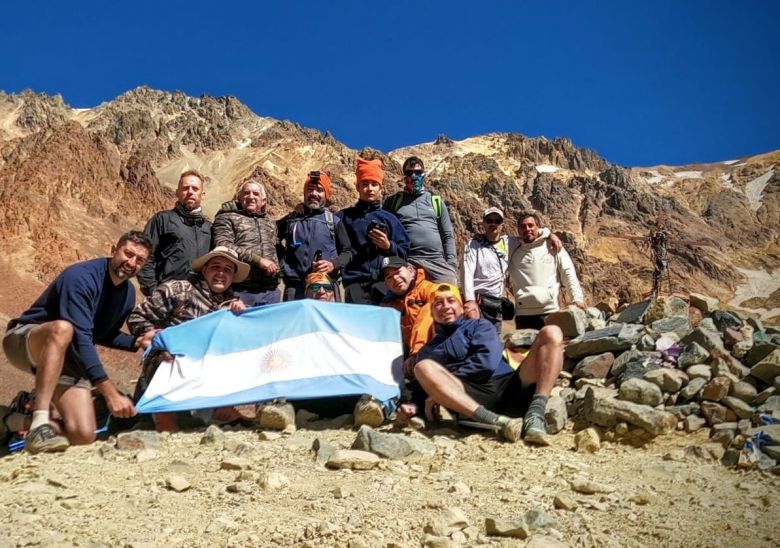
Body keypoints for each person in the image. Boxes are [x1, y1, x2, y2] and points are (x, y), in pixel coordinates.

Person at [2, 231, 155, 453]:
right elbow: (81, 336)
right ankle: (38, 424)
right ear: (114, 250)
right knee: (64, 329)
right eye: (128, 253)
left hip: (69, 357)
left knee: (82, 435)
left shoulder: (128, 294)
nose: (131, 263)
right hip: (26, 341)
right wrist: (109, 392)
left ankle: (11, 419)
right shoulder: (81, 276)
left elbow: (103, 333)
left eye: (139, 260)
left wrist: (137, 341)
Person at [398, 284, 564, 445]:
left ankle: (535, 413)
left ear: (462, 308)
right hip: (470, 401)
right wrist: (414, 406)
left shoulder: (480, 326)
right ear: (432, 312)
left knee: (551, 332)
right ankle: (496, 422)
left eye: (451, 300)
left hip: (508, 385)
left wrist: (446, 381)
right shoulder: (428, 350)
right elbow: (421, 386)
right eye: (438, 303)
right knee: (422, 367)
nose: (445, 306)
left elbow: (486, 362)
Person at [127, 247, 250, 431]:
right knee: (167, 356)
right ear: (204, 269)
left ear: (232, 277)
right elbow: (137, 317)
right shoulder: (178, 290)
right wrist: (155, 338)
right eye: (216, 267)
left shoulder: (231, 305)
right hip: (168, 364)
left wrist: (240, 316)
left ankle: (222, 407)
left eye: (227, 270)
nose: (221, 273)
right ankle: (163, 414)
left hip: (205, 371)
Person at [462, 207, 562, 334]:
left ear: (502, 224)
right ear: (484, 223)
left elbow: (532, 233)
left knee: (493, 344)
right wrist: (470, 301)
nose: (493, 224)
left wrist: (550, 235)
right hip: (477, 303)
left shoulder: (510, 242)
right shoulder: (473, 244)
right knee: (473, 340)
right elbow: (467, 272)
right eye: (489, 221)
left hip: (496, 305)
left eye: (497, 221)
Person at [339, 157, 410, 304]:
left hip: (385, 285)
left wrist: (389, 246)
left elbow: (405, 250)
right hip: (354, 286)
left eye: (374, 184)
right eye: (364, 184)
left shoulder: (390, 219)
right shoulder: (344, 217)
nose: (369, 188)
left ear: (381, 188)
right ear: (357, 187)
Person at [277, 171, 353, 301]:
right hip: (295, 289)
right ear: (305, 192)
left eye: (319, 190)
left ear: (326, 195)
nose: (314, 194)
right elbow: (272, 238)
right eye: (310, 189)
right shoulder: (291, 220)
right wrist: (284, 266)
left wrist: (333, 264)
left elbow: (348, 252)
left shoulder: (334, 221)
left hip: (326, 286)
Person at [138, 170, 212, 297]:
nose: (190, 192)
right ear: (177, 193)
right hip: (166, 297)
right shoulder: (162, 219)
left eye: (195, 189)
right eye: (185, 188)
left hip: (199, 300)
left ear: (203, 194)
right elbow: (144, 255)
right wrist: (153, 292)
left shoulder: (209, 228)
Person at [383, 156, 457, 283]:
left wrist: (451, 265)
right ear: (404, 176)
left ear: (424, 174)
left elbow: (448, 235)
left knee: (449, 293)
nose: (413, 176)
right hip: (407, 261)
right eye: (409, 173)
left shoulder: (436, 201)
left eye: (417, 172)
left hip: (436, 261)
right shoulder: (394, 202)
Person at [508, 211, 584, 330]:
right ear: (518, 230)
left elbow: (568, 273)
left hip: (550, 312)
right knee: (526, 348)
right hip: (523, 315)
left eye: (531, 225)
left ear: (538, 227)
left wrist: (577, 299)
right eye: (523, 226)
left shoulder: (553, 246)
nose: (527, 229)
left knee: (551, 347)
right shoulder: (512, 250)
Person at [212, 179, 281, 306]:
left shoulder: (270, 223)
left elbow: (277, 250)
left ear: (263, 201)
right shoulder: (226, 217)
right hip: (240, 290)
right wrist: (258, 260)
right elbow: (223, 245)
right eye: (246, 193)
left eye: (255, 194)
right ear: (239, 197)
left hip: (270, 291)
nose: (251, 197)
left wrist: (277, 269)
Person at [380, 256, 438, 374]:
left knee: (433, 306)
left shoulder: (429, 289)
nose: (395, 278)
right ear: (386, 284)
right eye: (389, 277)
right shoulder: (386, 306)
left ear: (411, 270)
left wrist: (417, 352)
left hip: (434, 351)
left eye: (397, 271)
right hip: (404, 361)